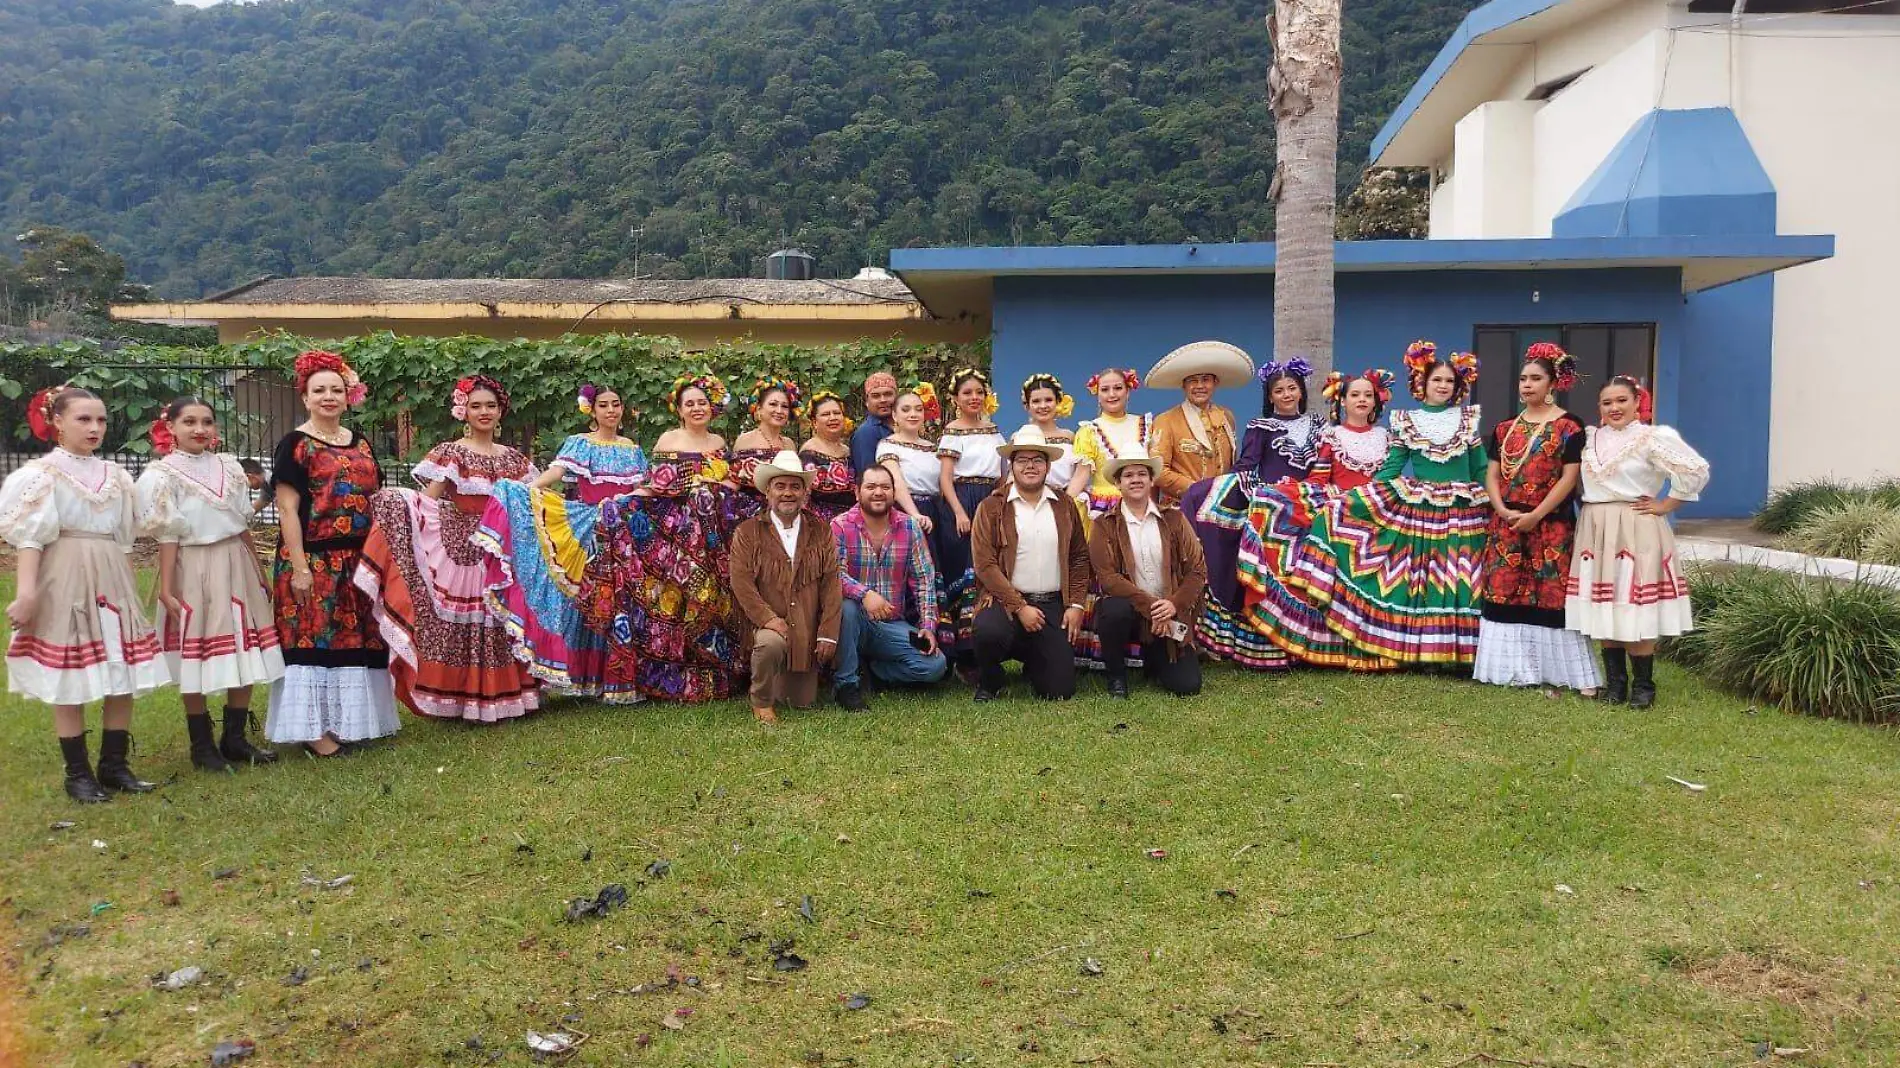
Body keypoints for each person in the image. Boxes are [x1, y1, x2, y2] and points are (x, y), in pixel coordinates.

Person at [3, 386, 166, 802]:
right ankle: (77, 772)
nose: (95, 428)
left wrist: (129, 589)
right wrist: (27, 594)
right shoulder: (41, 475)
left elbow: (125, 538)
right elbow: (30, 540)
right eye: (83, 419)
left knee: (121, 667)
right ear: (57, 421)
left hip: (111, 573)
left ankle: (114, 765)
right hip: (66, 574)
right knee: (71, 674)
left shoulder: (116, 477)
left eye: (101, 420)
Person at [357, 375, 541, 723]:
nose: (484, 412)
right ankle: (463, 699)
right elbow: (429, 499)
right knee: (466, 623)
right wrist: (400, 507)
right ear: (464, 411)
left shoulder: (516, 461)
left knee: (500, 619)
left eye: (490, 406)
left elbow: (531, 504)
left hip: (501, 551)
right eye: (476, 406)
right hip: (463, 550)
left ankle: (506, 696)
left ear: (501, 411)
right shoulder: (453, 453)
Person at [1294, 342, 1489, 667]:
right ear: (1421, 383)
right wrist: (1355, 501)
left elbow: (1480, 466)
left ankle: (1461, 656)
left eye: (1449, 381)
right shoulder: (1406, 421)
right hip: (1421, 506)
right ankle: (1424, 653)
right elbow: (1391, 468)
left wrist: (1497, 498)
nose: (1443, 386)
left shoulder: (1467, 420)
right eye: (1436, 380)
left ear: (1458, 387)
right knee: (1423, 578)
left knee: (1460, 575)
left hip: (1463, 507)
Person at [136, 397, 283, 771]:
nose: (199, 429)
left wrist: (258, 568)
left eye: (206, 422)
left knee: (245, 642)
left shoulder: (229, 467)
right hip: (194, 564)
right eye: (189, 422)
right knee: (197, 651)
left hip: (235, 559)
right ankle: (201, 745)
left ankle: (234, 737)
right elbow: (168, 535)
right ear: (170, 427)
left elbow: (240, 521)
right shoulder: (162, 475)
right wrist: (167, 587)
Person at [582, 373, 746, 703]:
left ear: (712, 406)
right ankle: (669, 677)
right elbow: (654, 485)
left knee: (711, 600)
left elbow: (731, 485)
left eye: (702, 402)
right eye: (690, 404)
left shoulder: (719, 444)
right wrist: (623, 502)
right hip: (674, 533)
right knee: (673, 602)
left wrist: (713, 488)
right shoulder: (668, 440)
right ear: (680, 410)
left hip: (712, 535)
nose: (697, 408)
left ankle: (714, 673)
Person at [266, 350, 398, 756]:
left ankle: (349, 722)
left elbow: (374, 498)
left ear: (348, 396)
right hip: (314, 559)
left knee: (355, 639)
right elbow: (287, 508)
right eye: (318, 390)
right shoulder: (295, 445)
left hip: (358, 558)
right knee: (313, 639)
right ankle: (313, 733)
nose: (328, 397)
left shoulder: (360, 443)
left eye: (336, 390)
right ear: (305, 397)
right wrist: (301, 567)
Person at [476, 383, 646, 697]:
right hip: (588, 525)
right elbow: (556, 472)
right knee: (581, 598)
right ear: (592, 411)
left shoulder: (632, 448)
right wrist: (527, 491)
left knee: (619, 600)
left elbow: (641, 489)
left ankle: (614, 678)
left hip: (624, 528)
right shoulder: (580, 443)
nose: (611, 410)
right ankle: (579, 674)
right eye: (604, 405)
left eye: (616, 404)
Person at [1236, 369, 1397, 669]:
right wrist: (1279, 492)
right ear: (1342, 402)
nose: (1362, 399)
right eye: (1354, 394)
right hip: (1340, 504)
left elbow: (1391, 476)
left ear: (1377, 401)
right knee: (1287, 524)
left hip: (1377, 507)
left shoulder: (1387, 437)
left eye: (1368, 395)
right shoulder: (1332, 435)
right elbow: (1320, 475)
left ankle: (1377, 645)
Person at [1566, 376, 1710, 708]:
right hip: (1596, 526)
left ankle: (1643, 686)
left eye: (1621, 401)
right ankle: (1616, 685)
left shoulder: (1652, 438)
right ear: (1599, 407)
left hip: (1635, 525)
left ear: (1636, 402)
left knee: (1634, 600)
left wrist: (1666, 504)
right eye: (1607, 402)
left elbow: (1695, 470)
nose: (1614, 408)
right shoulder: (1588, 439)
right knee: (1605, 603)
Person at [1474, 346, 1601, 696]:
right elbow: (1494, 472)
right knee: (1505, 591)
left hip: (1550, 523)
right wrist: (1501, 509)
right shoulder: (1503, 428)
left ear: (1553, 383)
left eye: (1536, 379)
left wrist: (1535, 515)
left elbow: (1568, 478)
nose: (1527, 385)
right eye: (1523, 378)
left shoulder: (1569, 426)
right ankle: (1514, 670)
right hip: (1507, 522)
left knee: (1551, 594)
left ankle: (1568, 674)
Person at [1180, 357, 1319, 670]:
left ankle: (1306, 643)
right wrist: (1217, 490)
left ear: (1301, 392)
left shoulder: (1320, 426)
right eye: (1279, 390)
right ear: (1270, 397)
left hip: (1311, 504)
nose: (1286, 394)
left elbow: (1324, 467)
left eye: (1291, 388)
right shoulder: (1260, 426)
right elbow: (1246, 465)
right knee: (1271, 572)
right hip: (1272, 508)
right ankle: (1267, 643)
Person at [969, 427, 1091, 701]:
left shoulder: (1064, 504)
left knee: (1059, 691)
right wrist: (1020, 606)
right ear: (1012, 465)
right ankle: (990, 679)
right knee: (988, 630)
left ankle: (1036, 662)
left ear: (1048, 465)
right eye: (1022, 460)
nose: (1030, 466)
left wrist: (1075, 604)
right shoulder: (991, 506)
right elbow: (985, 564)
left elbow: (1079, 556)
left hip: (1051, 604)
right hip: (1005, 602)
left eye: (1037, 460)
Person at [729, 450, 843, 725]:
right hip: (768, 626)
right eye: (780, 486)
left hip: (805, 627)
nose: (788, 493)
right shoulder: (747, 531)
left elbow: (831, 582)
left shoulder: (820, 529)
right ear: (768, 491)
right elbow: (741, 582)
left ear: (805, 492)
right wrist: (768, 619)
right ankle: (761, 701)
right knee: (769, 645)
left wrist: (828, 633)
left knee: (801, 701)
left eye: (795, 486)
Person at [1088, 449, 1207, 698]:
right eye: (1128, 475)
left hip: (1169, 613)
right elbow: (1107, 578)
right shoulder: (1103, 524)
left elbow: (1197, 569)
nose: (1136, 480)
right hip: (1133, 611)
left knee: (1188, 686)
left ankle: (1156, 658)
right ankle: (1116, 675)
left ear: (1152, 480)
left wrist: (1174, 605)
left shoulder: (1174, 518)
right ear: (1118, 484)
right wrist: (1154, 607)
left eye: (1142, 473)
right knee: (1114, 610)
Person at [831, 464, 949, 710]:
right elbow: (833, 575)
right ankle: (846, 685)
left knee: (935, 665)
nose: (878, 492)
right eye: (871, 486)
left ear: (894, 493)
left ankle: (875, 673)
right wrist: (864, 595)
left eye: (885, 487)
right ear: (856, 492)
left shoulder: (909, 527)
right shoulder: (840, 525)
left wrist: (928, 626)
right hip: (853, 623)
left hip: (891, 625)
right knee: (847, 608)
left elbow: (924, 581)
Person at [935, 368, 1007, 666]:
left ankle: (983, 643)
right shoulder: (952, 433)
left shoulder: (993, 430)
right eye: (967, 393)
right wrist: (960, 513)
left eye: (979, 392)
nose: (974, 398)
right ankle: (960, 652)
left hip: (990, 500)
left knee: (986, 569)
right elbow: (945, 479)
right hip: (962, 502)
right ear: (955, 398)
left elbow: (1003, 474)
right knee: (964, 570)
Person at [1146, 340, 1253, 502]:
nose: (1200, 386)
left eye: (1205, 379)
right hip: (1180, 509)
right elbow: (1158, 471)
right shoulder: (1165, 420)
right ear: (1183, 385)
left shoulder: (1227, 417)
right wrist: (1198, 491)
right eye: (1193, 381)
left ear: (1215, 383)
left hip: (1221, 508)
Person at [1071, 368, 1150, 518]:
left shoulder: (1146, 425)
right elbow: (1080, 476)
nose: (1112, 394)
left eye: (1118, 388)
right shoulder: (1089, 431)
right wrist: (1063, 510)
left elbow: (1154, 474)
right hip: (1103, 510)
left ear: (1128, 391)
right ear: (1098, 394)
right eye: (1105, 390)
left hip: (1142, 505)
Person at [873, 383, 942, 545]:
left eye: (918, 409)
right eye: (906, 410)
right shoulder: (888, 445)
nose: (913, 414)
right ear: (895, 416)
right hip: (904, 510)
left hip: (936, 511)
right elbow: (896, 482)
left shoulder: (932, 447)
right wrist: (915, 515)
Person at [730, 376, 802, 521]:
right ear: (759, 409)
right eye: (773, 404)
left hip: (785, 513)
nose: (779, 410)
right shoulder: (745, 440)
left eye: (784, 406)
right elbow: (735, 482)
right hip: (752, 516)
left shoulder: (789, 444)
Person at [799, 391, 858, 524]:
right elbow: (803, 498)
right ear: (814, 422)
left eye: (837, 413)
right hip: (819, 525)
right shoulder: (809, 453)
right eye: (825, 414)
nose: (833, 418)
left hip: (850, 524)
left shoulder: (847, 451)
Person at [1017, 373, 1081, 495]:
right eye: (1036, 401)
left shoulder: (1069, 436)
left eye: (1049, 400)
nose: (1043, 406)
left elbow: (1078, 475)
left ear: (1058, 402)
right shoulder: (1019, 436)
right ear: (1027, 405)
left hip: (1066, 500)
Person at [850, 370, 899, 476]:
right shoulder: (866, 433)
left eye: (888, 394)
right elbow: (867, 477)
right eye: (876, 396)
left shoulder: (904, 426)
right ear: (867, 402)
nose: (883, 400)